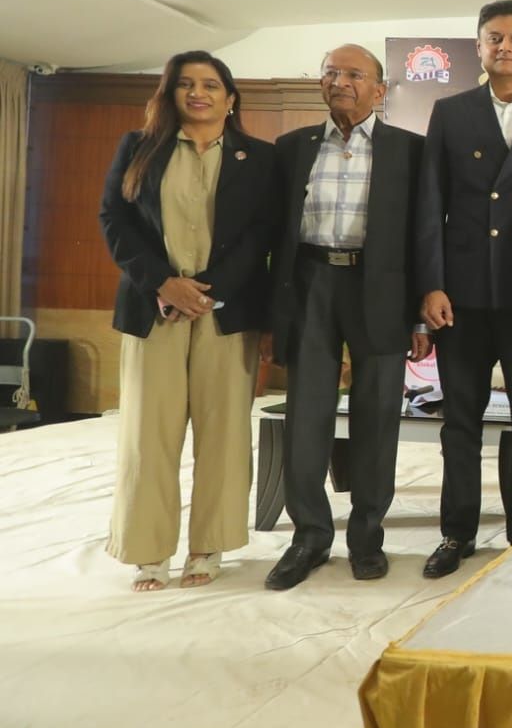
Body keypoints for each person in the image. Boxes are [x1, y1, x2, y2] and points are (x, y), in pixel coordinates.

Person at [99, 51, 275, 591]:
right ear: (170, 94)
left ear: (230, 98)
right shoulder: (138, 148)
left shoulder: (259, 158)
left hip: (227, 313)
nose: (198, 93)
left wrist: (207, 291)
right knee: (148, 434)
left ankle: (208, 545)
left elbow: (262, 235)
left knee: (224, 432)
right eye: (185, 84)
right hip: (154, 310)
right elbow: (115, 219)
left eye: (210, 85)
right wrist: (163, 282)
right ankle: (149, 552)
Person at [263, 44, 429, 589]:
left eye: (355, 74)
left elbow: (425, 235)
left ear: (379, 90)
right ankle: (309, 537)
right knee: (306, 415)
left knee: (377, 416)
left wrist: (421, 316)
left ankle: (367, 538)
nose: (340, 81)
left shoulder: (410, 150)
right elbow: (272, 234)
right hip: (311, 283)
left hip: (380, 288)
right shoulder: (291, 148)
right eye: (331, 72)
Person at [414, 0, 512, 578]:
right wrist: (431, 286)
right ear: (478, 48)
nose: (505, 47)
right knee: (461, 421)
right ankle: (456, 533)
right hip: (463, 294)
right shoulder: (451, 112)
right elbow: (431, 204)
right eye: (494, 38)